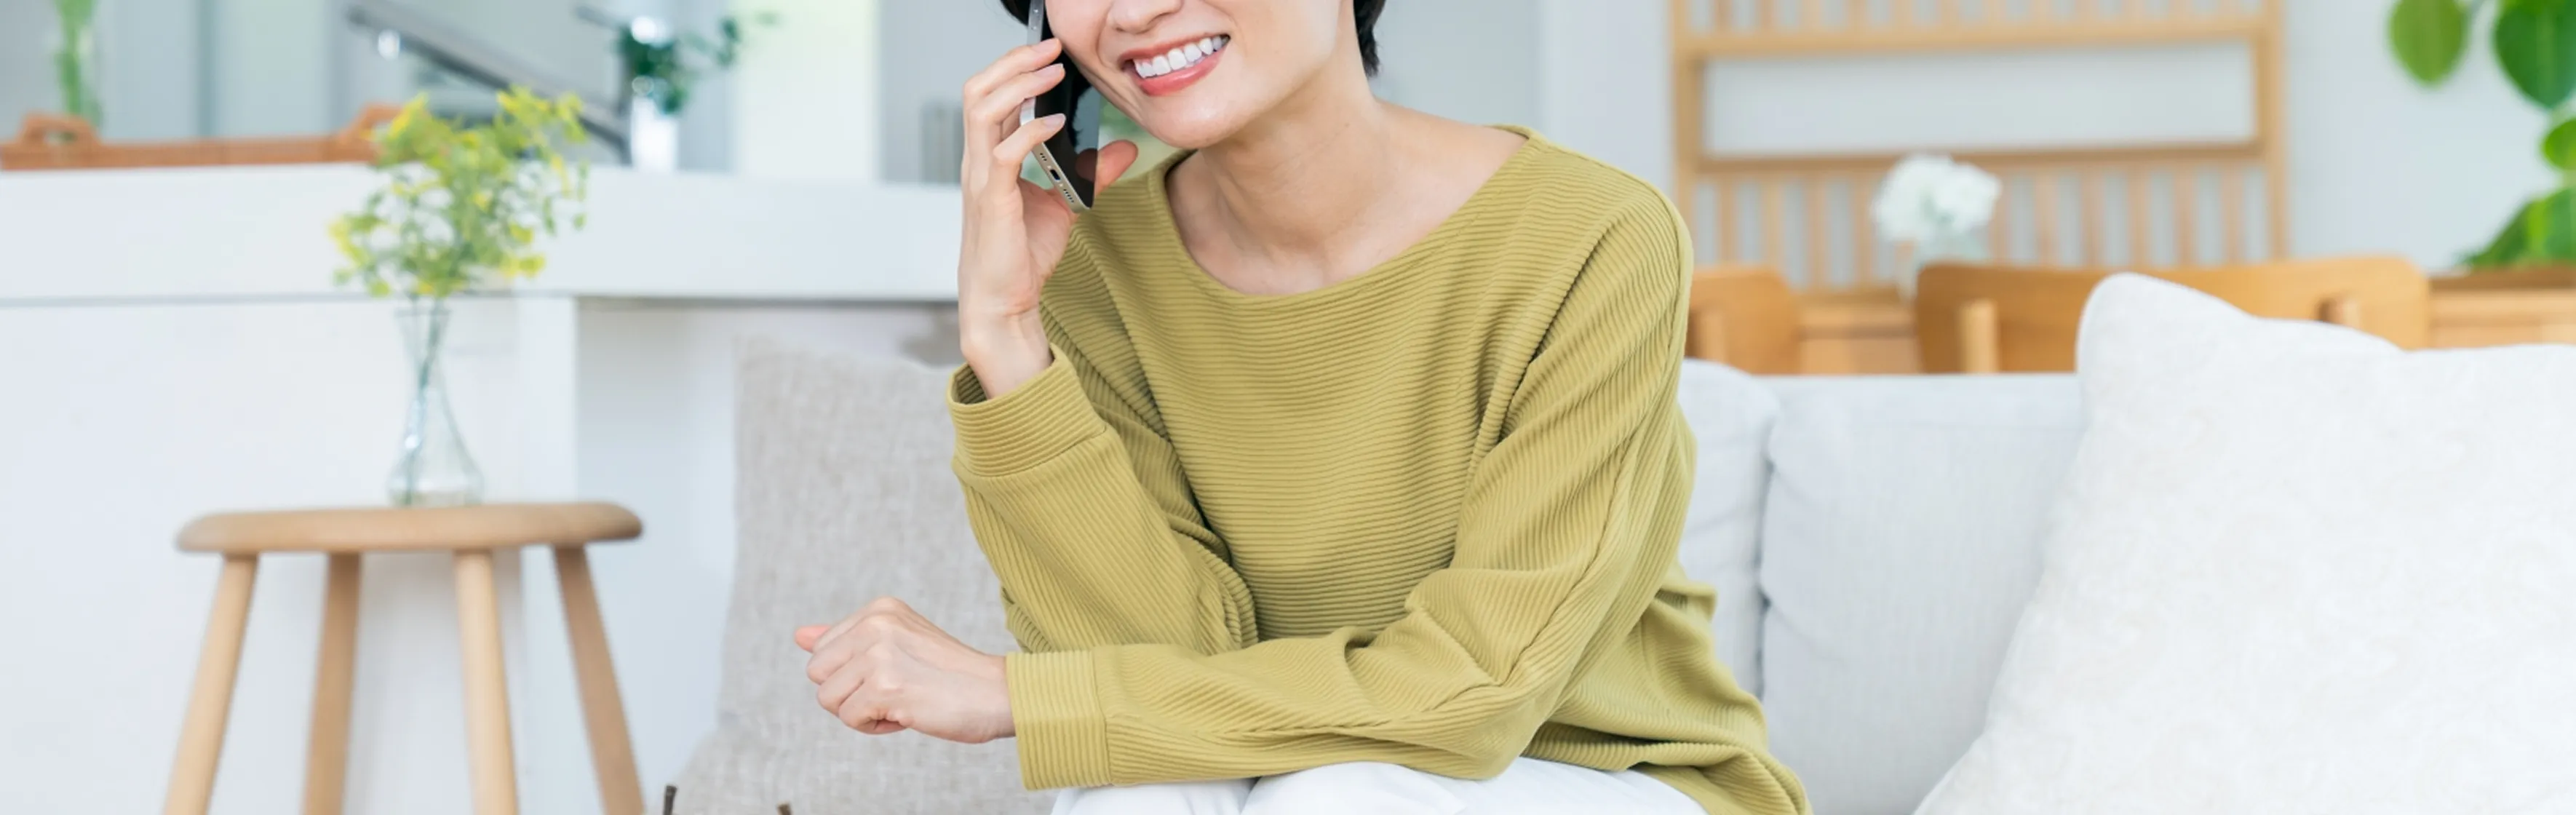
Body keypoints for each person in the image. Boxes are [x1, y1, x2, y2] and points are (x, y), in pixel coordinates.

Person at [792, 0, 1808, 812]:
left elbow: (1479, 693)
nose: (1138, 9)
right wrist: (1008, 340)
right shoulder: (1089, 266)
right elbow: (1160, 671)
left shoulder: (1595, 238)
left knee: (1341, 796)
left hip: (1608, 780)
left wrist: (1017, 700)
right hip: (1281, 775)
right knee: (1138, 798)